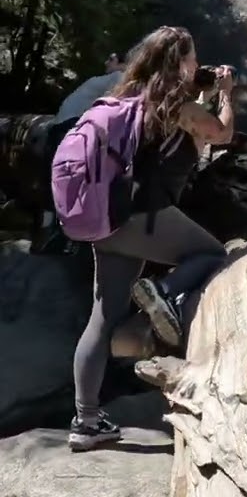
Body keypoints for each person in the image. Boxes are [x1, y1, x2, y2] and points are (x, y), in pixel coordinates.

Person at [69, 26, 236, 452]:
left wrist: (201, 91)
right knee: (213, 254)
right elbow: (221, 133)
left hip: (107, 218)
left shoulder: (128, 98)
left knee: (102, 319)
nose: (197, 64)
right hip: (145, 217)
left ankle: (86, 421)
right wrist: (226, 95)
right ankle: (163, 292)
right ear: (180, 62)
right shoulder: (177, 105)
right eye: (192, 58)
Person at [35, 53, 128, 252]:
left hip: (71, 127)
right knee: (52, 179)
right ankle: (50, 232)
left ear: (122, 64)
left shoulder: (119, 77)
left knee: (65, 180)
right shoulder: (107, 78)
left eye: (111, 59)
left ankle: (64, 235)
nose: (106, 61)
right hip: (62, 125)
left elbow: (115, 106)